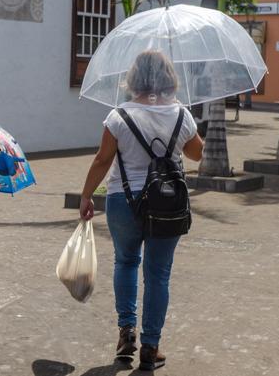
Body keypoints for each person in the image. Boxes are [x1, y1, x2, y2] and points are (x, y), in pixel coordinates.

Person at [79, 51, 204, 371]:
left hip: (124, 201)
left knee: (125, 262)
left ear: (133, 78)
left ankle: (126, 334)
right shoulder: (181, 114)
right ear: (168, 79)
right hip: (168, 203)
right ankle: (150, 347)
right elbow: (196, 154)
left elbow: (102, 160)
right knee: (158, 274)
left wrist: (86, 195)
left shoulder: (119, 115)